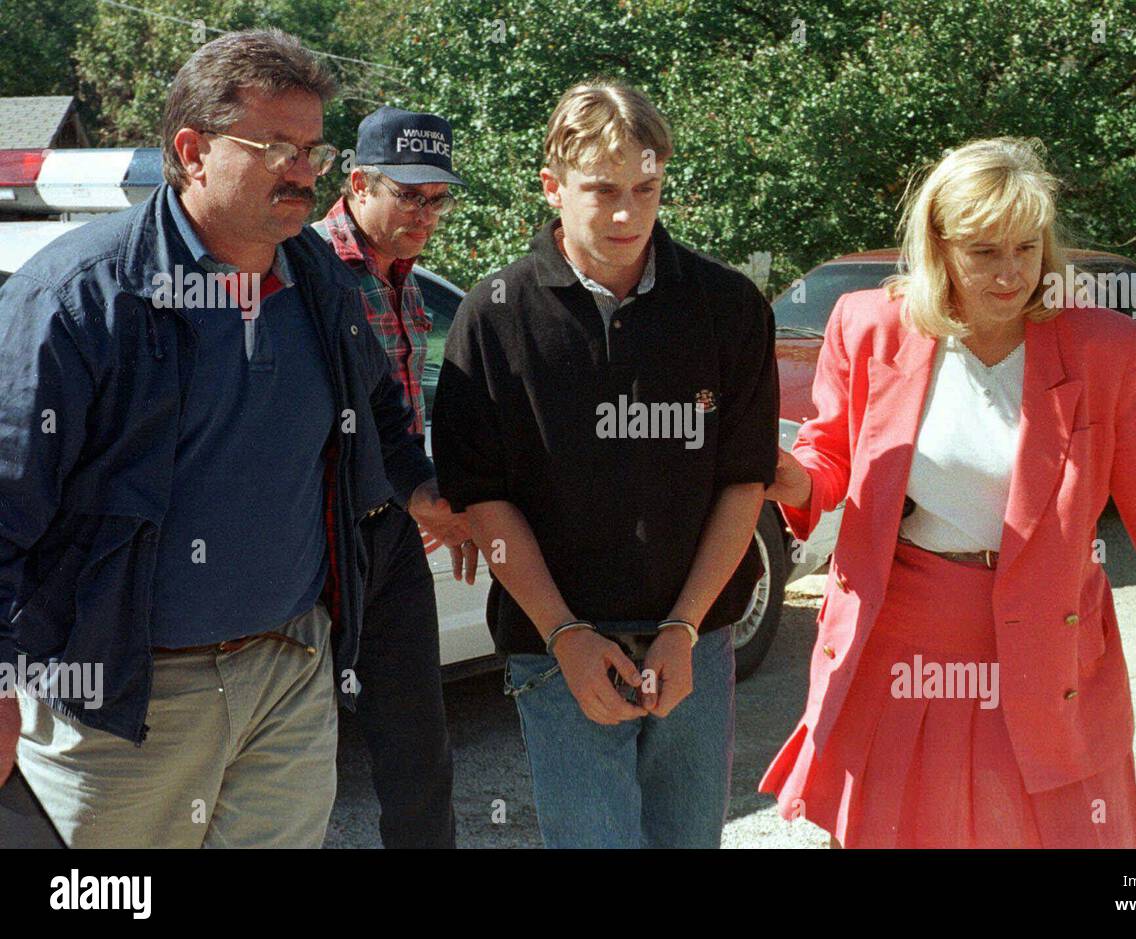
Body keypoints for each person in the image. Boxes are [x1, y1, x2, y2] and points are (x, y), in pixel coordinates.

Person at [0, 29, 469, 848]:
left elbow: (377, 416)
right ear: (192, 150)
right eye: (277, 148)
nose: (302, 171)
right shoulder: (79, 298)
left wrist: (434, 494)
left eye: (313, 150)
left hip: (290, 672)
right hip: (126, 698)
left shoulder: (318, 278)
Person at [760, 137, 1136, 848]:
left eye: (1026, 248)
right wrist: (796, 476)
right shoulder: (868, 324)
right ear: (939, 246)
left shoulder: (1105, 347)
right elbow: (832, 451)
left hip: (1054, 652)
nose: (1011, 275)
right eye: (984, 252)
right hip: (908, 652)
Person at [431, 80, 778, 848]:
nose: (627, 214)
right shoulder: (493, 314)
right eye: (601, 191)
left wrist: (685, 629)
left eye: (646, 188)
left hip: (696, 637)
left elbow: (744, 481)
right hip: (556, 645)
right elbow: (483, 498)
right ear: (552, 186)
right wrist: (566, 636)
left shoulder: (728, 306)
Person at [313, 106, 467, 848]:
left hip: (394, 533)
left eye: (438, 198)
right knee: (297, 752)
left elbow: (404, 419)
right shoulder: (306, 269)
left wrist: (429, 498)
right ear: (357, 183)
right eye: (409, 195)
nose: (426, 214)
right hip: (317, 538)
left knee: (419, 747)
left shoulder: (405, 276)